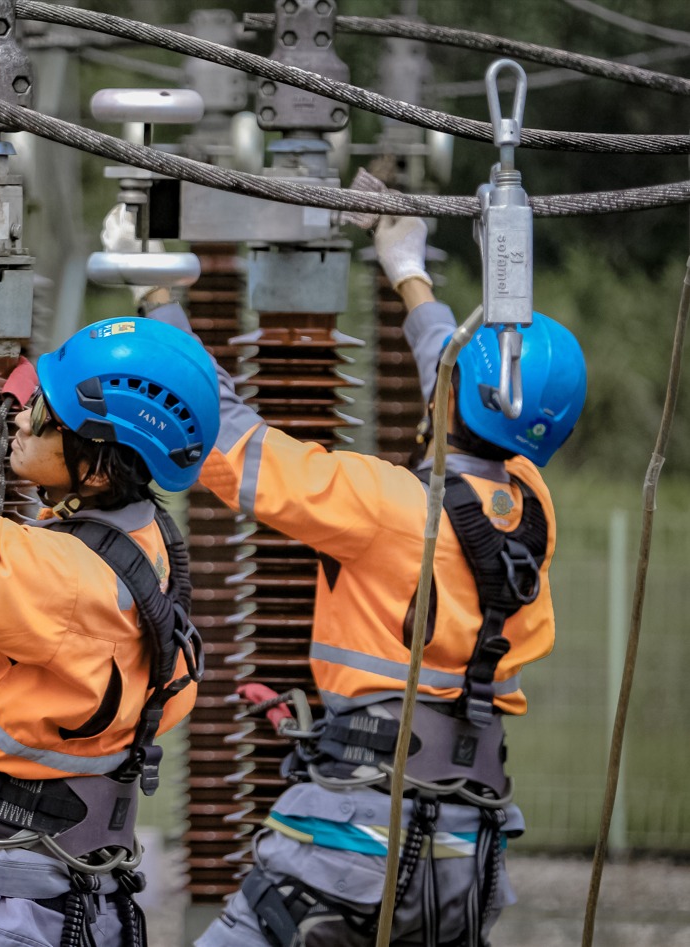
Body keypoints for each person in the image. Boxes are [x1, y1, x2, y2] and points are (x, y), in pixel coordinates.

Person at [147, 193, 585, 947]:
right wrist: (409, 274)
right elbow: (462, 388)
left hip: (354, 839)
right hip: (468, 848)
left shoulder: (387, 505)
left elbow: (230, 443)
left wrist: (159, 303)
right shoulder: (529, 500)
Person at [0, 212, 223, 947]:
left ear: (98, 466)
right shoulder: (146, 540)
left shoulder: (61, 575)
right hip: (70, 893)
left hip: (7, 907)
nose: (22, 419)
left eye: (45, 415)